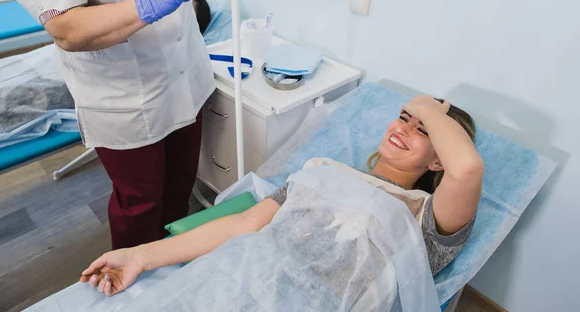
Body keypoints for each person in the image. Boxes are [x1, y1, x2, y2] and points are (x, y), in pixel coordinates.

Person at [80, 95, 485, 297]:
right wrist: (139, 254)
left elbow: (466, 169)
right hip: (237, 281)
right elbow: (244, 224)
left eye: (425, 130)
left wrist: (428, 106)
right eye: (403, 117)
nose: (408, 127)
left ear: (438, 162)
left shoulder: (426, 218)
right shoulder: (324, 173)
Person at [0, 0, 216, 250]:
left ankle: (174, 270)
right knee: (140, 206)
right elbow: (66, 29)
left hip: (185, 66)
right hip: (124, 90)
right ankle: (137, 293)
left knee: (180, 190)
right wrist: (150, 5)